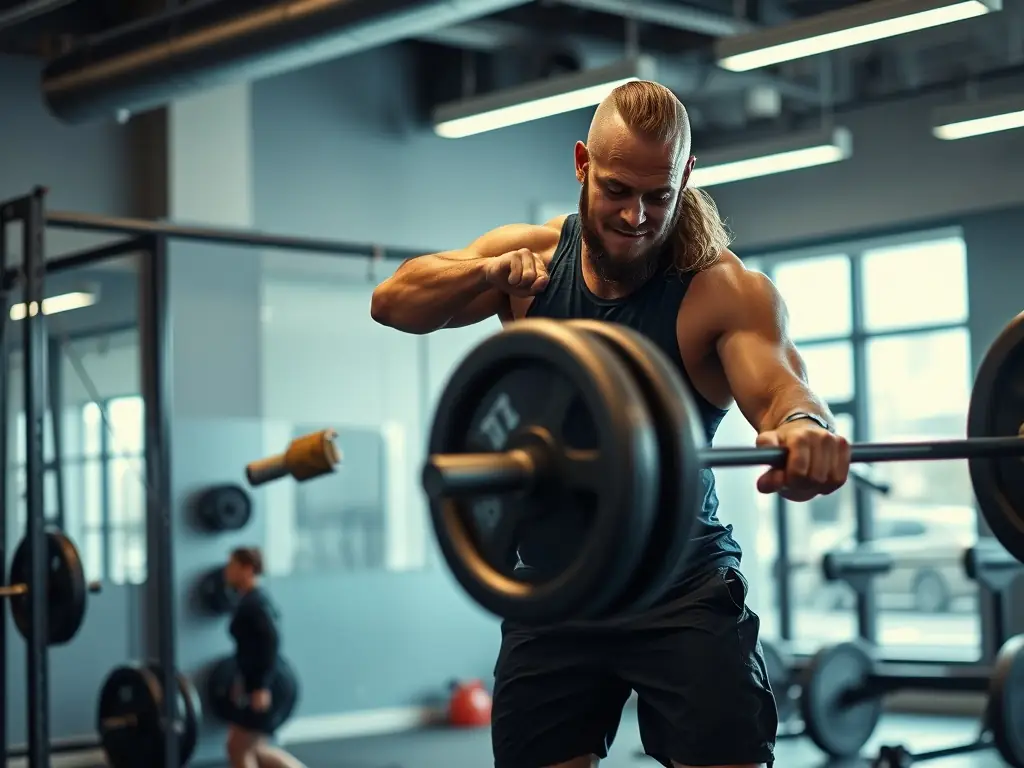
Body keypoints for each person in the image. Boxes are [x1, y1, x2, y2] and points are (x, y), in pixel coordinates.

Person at [371, 80, 851, 768]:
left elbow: (780, 389)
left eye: (659, 195)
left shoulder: (720, 291)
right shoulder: (530, 262)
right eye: (618, 190)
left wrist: (804, 430)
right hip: (556, 589)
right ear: (581, 164)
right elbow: (393, 302)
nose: (636, 216)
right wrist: (483, 271)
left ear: (687, 176)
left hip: (681, 589)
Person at [223, 546, 306, 768]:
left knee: (237, 747)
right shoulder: (249, 600)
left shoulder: (256, 604)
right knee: (253, 749)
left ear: (247, 569)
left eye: (232, 566)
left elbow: (271, 642)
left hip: (271, 684)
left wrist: (261, 686)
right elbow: (248, 650)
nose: (227, 571)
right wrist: (243, 682)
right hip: (261, 681)